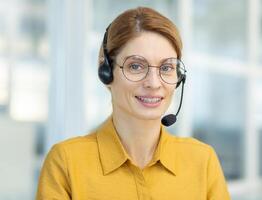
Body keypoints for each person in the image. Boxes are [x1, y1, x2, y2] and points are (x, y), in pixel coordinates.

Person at [36, 7, 231, 200]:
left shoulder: (202, 160)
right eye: (136, 66)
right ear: (106, 72)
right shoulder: (66, 162)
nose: (154, 83)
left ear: (178, 77)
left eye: (166, 67)